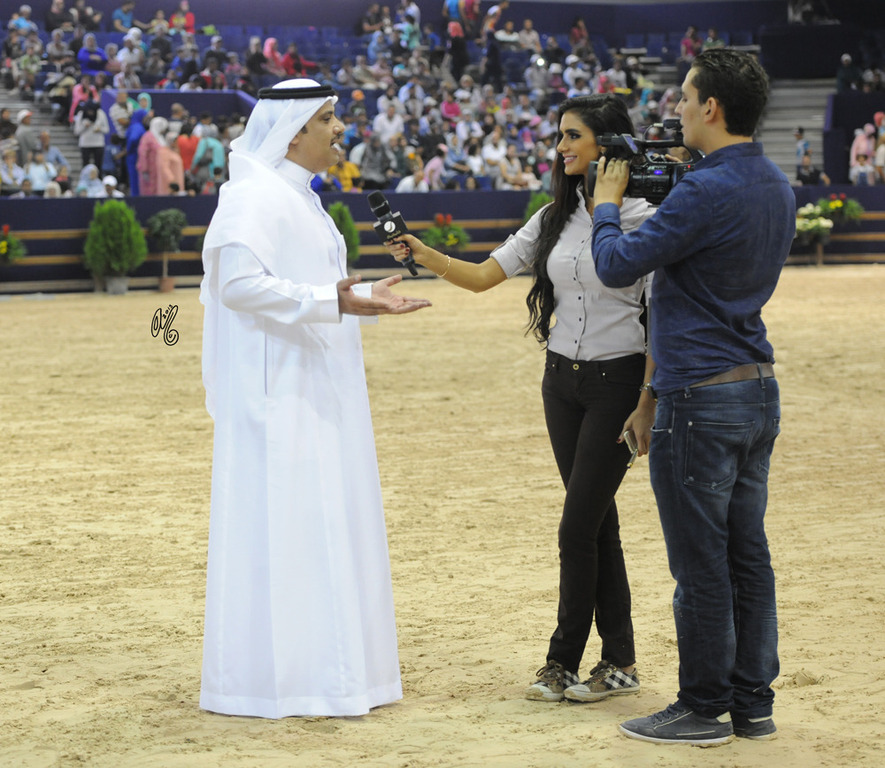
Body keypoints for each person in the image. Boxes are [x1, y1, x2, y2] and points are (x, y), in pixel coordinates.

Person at [387, 94, 657, 704]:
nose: (560, 147)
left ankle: (561, 661)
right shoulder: (552, 217)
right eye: (559, 136)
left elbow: (662, 317)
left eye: (573, 136)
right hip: (561, 383)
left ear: (609, 145)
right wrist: (422, 253)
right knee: (595, 521)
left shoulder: (647, 217)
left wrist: (649, 399)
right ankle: (619, 661)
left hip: (619, 385)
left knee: (577, 526)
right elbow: (486, 276)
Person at [198, 77, 430, 719]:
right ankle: (279, 680)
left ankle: (334, 674)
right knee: (288, 525)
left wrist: (356, 300)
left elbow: (318, 288)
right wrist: (333, 299)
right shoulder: (253, 196)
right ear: (294, 128)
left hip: (317, 387)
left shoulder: (300, 198)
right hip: (279, 397)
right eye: (329, 118)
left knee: (324, 519)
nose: (338, 129)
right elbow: (239, 285)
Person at [592, 47, 793, 746]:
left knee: (700, 564)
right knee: (747, 556)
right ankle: (750, 704)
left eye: (682, 98)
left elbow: (616, 265)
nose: (675, 108)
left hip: (699, 396)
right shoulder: (773, 181)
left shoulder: (704, 191)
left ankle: (701, 707)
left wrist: (606, 207)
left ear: (709, 107)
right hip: (753, 387)